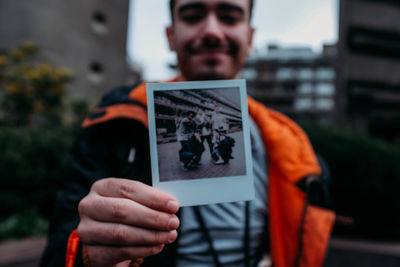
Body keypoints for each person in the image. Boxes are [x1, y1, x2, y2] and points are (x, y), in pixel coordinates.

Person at [40, 0, 335, 266]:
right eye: (193, 16)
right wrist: (86, 254)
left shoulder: (287, 144)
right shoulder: (116, 124)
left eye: (229, 17)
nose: (212, 31)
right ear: (170, 36)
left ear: (250, 37)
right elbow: (59, 248)